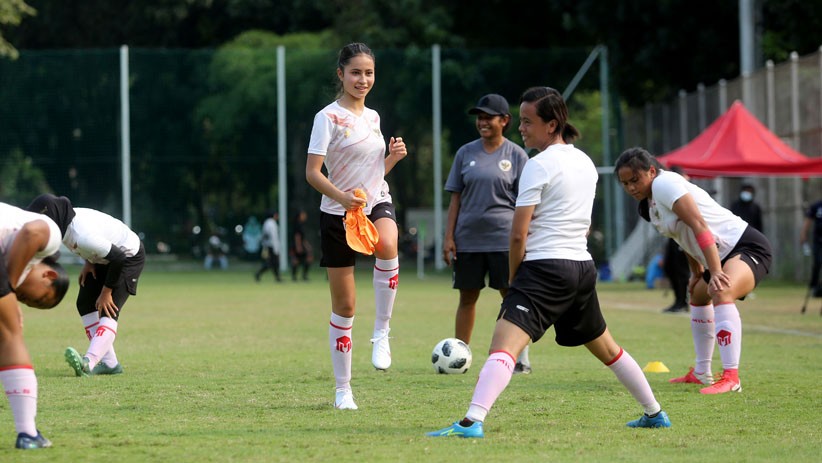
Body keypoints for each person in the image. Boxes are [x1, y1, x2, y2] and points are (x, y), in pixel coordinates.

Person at [428, 87, 670, 439]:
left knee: (502, 347)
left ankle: (470, 423)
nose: (522, 128)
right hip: (581, 268)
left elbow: (517, 235)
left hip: (545, 268)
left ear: (552, 123)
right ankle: (654, 412)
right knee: (608, 348)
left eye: (527, 122)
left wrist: (514, 280)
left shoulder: (538, 165)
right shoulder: (584, 161)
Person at [615, 147, 773, 394]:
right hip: (717, 254)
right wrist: (697, 273)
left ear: (652, 172)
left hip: (745, 246)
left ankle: (732, 378)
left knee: (721, 290)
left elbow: (698, 225)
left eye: (635, 180)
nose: (631, 187)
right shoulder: (649, 206)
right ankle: (702, 372)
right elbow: (682, 237)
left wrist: (715, 271)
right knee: (698, 294)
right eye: (625, 184)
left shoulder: (665, 184)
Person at [305, 42, 408, 410]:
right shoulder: (327, 118)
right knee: (345, 307)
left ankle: (382, 331)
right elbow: (312, 174)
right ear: (341, 75)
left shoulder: (375, 118)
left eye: (369, 73)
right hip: (337, 213)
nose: (363, 80)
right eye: (356, 73)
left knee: (387, 244)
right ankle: (343, 390)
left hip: (374, 200)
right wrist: (343, 198)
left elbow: (372, 174)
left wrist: (391, 159)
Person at [442, 93, 532, 373]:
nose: (482, 122)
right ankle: (459, 356)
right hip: (468, 239)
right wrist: (449, 237)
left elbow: (526, 202)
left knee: (511, 297)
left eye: (488, 117)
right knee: (467, 298)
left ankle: (519, 359)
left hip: (504, 240)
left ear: (504, 121)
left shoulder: (517, 155)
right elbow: (455, 199)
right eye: (479, 117)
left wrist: (526, 238)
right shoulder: (465, 153)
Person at [27, 194, 146, 378]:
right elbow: (93, 245)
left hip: (127, 257)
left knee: (109, 308)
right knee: (85, 303)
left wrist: (106, 291)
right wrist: (89, 262)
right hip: (105, 257)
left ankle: (88, 362)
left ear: (54, 222)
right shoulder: (66, 225)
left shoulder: (83, 235)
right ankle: (110, 363)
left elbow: (119, 258)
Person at [0, 201, 71, 449]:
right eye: (36, 299)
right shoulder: (52, 238)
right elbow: (32, 232)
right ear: (49, 275)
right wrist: (8, 287)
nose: (25, 301)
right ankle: (28, 434)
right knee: (10, 335)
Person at [660, 166, 691, 313]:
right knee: (669, 266)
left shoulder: (687, 191)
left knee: (681, 269)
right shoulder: (668, 191)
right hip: (673, 235)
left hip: (685, 233)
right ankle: (678, 300)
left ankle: (683, 301)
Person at [800, 198, 822, 297]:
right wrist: (803, 235)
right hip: (818, 241)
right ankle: (814, 286)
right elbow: (807, 222)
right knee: (817, 262)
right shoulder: (816, 206)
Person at [255, 210, 282, 282]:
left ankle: (277, 277)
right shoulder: (270, 223)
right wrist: (276, 248)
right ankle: (259, 274)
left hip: (269, 246)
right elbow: (271, 236)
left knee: (273, 263)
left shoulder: (269, 223)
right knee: (272, 263)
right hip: (270, 246)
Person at [289, 210, 312, 281]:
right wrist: (298, 247)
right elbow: (297, 236)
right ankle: (295, 277)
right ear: (299, 216)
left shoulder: (301, 224)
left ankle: (303, 275)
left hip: (300, 245)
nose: (305, 216)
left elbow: (303, 238)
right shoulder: (297, 225)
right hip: (296, 246)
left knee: (308, 259)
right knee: (295, 261)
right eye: (303, 215)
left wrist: (307, 246)